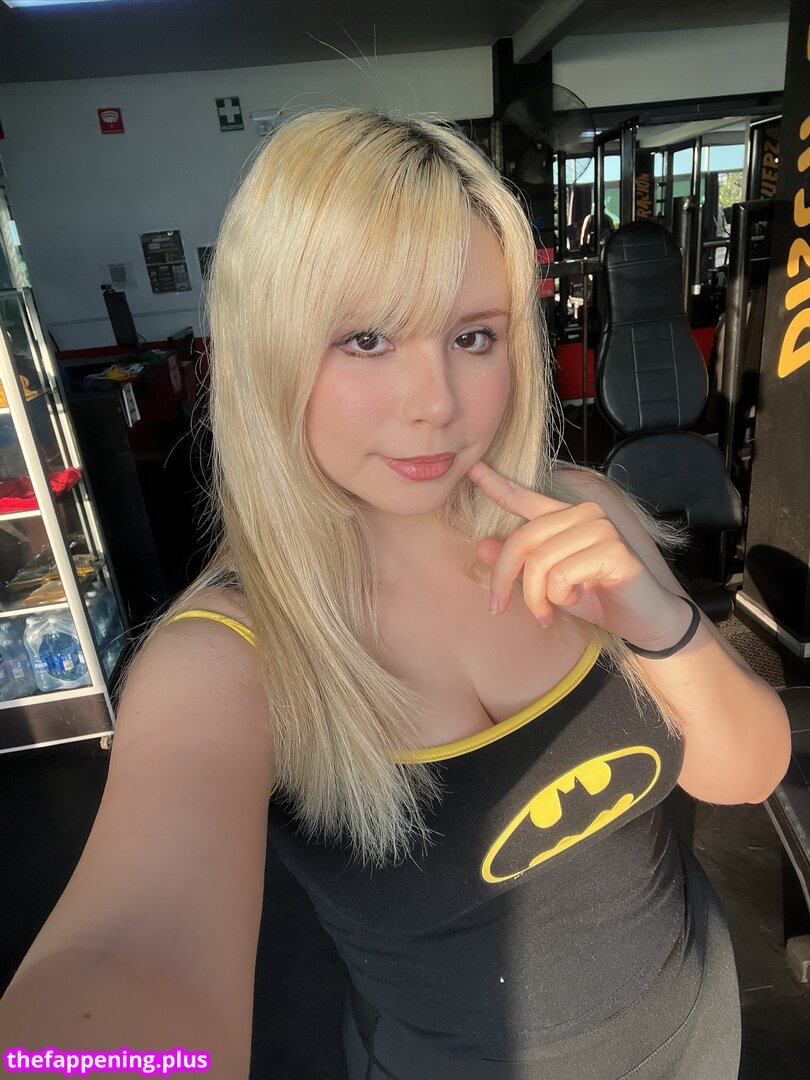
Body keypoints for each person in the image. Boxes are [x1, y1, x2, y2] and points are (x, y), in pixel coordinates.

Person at [0, 109, 792, 1080]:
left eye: (473, 335)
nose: (437, 403)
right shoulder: (225, 656)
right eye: (367, 338)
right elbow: (130, 949)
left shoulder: (579, 512)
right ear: (268, 350)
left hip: (700, 1031)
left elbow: (748, 774)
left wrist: (661, 628)